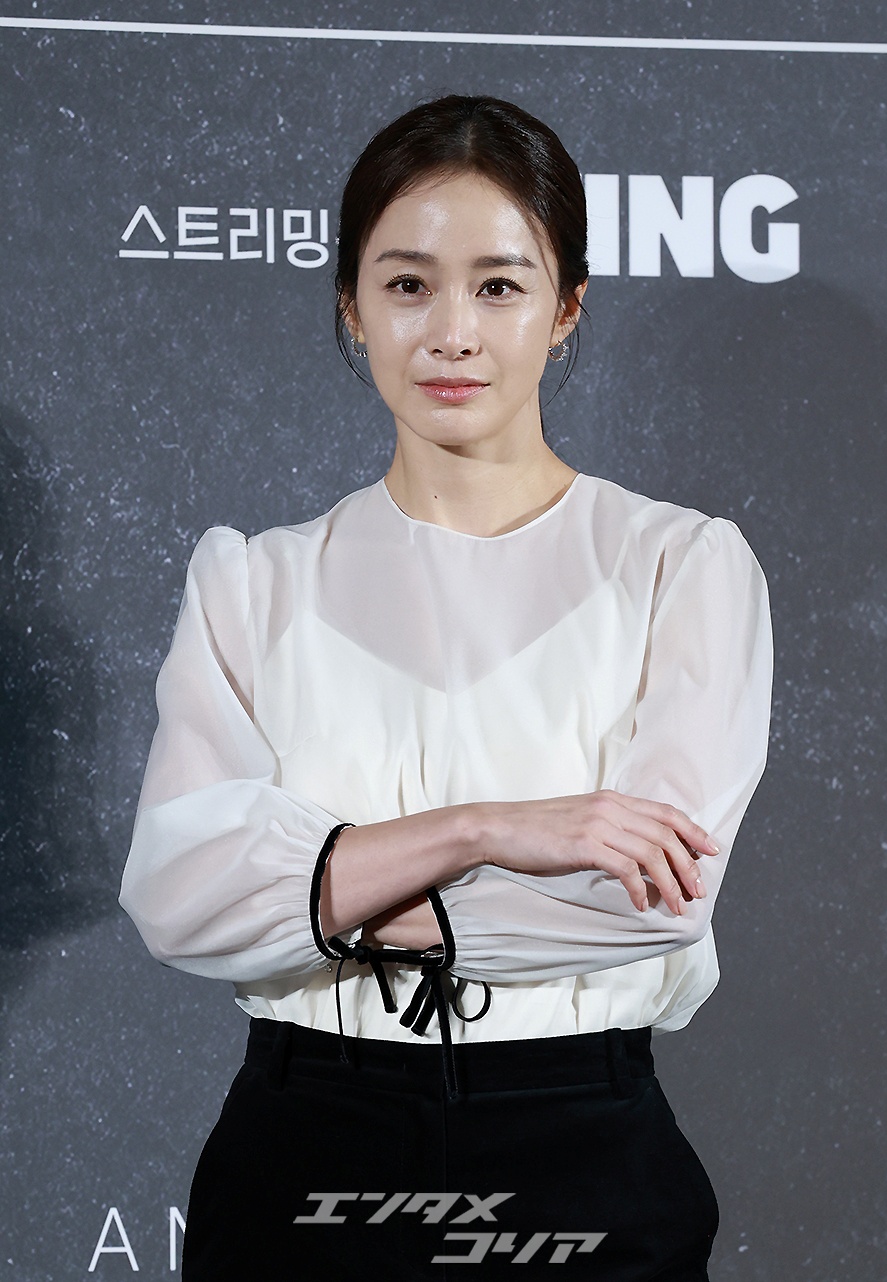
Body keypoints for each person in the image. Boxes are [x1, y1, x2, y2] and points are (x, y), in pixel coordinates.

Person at [119, 95, 772, 1281]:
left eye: (500, 285)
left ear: (567, 307)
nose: (452, 333)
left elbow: (654, 900)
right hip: (301, 1144)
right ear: (351, 305)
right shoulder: (253, 581)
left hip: (580, 1145)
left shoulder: (679, 566)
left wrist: (320, 898)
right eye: (409, 284)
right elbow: (180, 894)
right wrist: (489, 831)